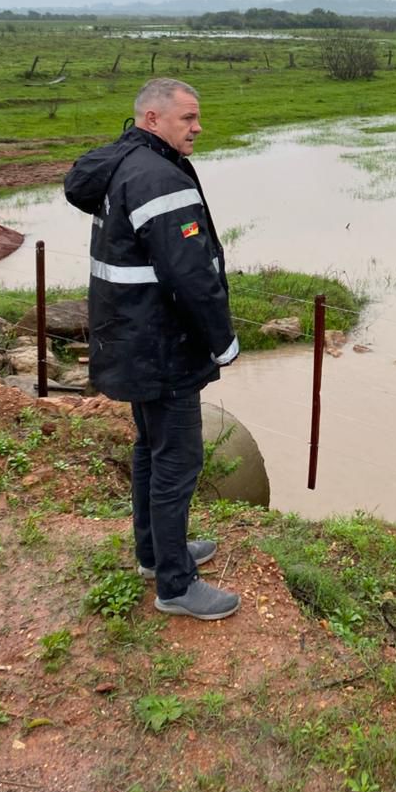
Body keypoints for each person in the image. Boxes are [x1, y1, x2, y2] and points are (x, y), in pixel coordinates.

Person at [64, 77, 241, 620]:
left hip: (131, 338)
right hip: (163, 347)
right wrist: (224, 342)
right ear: (152, 119)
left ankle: (154, 554)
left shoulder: (125, 165)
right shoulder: (158, 178)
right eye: (187, 118)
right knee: (178, 462)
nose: (197, 127)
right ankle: (175, 585)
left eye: (197, 117)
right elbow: (191, 277)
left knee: (150, 449)